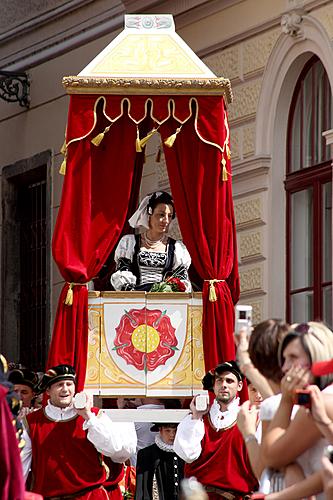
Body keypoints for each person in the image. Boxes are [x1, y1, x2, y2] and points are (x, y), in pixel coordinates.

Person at [21, 364, 137, 499]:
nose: (65, 389)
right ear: (48, 390)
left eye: (69, 384)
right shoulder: (32, 422)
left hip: (89, 496)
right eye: (59, 385)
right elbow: (20, 465)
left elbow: (117, 452)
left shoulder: (94, 416)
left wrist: (89, 418)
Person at [261, 322, 333, 499]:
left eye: (293, 357)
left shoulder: (318, 403)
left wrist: (286, 400)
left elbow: (271, 456)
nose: (285, 367)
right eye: (284, 359)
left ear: (317, 358)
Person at [174, 361, 258, 499]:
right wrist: (196, 417)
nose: (224, 385)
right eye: (219, 380)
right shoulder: (197, 419)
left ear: (240, 386)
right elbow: (188, 455)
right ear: (213, 386)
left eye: (229, 381)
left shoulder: (250, 419)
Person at [111, 191, 191, 292]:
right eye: (161, 215)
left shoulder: (177, 248)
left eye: (170, 216)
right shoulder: (129, 243)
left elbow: (182, 281)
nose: (166, 220)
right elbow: (122, 275)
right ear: (149, 214)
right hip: (134, 300)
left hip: (165, 303)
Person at [135, 422, 185, 500]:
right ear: (160, 430)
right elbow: (141, 490)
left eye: (175, 431)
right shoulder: (146, 454)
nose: (172, 435)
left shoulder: (186, 453)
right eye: (167, 431)